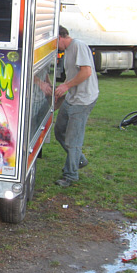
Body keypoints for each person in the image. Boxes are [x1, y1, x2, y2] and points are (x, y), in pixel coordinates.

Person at [53, 25, 99, 187]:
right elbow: (73, 75)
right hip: (72, 98)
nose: (55, 47)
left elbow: (86, 72)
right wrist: (63, 93)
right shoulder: (67, 51)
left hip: (83, 100)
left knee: (73, 139)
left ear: (60, 37)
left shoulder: (78, 46)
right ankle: (79, 159)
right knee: (59, 132)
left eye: (54, 42)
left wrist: (66, 86)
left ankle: (70, 175)